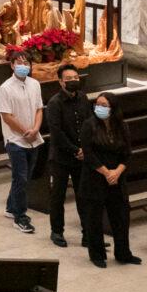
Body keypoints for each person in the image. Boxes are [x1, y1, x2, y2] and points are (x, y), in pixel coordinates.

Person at [79, 93, 140, 269]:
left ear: (112, 108)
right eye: (97, 104)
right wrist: (107, 173)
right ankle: (97, 255)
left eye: (104, 105)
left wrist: (117, 172)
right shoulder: (88, 125)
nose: (99, 107)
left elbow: (127, 154)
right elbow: (88, 155)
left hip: (117, 179)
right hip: (94, 178)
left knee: (121, 217)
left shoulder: (122, 126)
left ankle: (123, 253)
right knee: (94, 219)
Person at [45, 63, 92, 248]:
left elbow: (89, 123)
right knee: (58, 196)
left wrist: (86, 149)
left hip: (82, 156)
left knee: (84, 196)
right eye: (69, 79)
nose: (73, 81)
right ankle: (57, 231)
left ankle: (88, 234)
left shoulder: (83, 98)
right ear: (61, 82)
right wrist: (75, 150)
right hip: (61, 158)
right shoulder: (54, 103)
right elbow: (56, 133)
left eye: (75, 78)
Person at [0, 50, 44, 234]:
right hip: (15, 139)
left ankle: (11, 207)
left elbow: (39, 109)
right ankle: (20, 217)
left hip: (33, 137)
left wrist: (35, 129)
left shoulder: (35, 84)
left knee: (24, 176)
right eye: (19, 62)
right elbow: (7, 116)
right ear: (12, 65)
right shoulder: (6, 88)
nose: (23, 66)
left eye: (26, 63)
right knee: (21, 178)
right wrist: (25, 131)